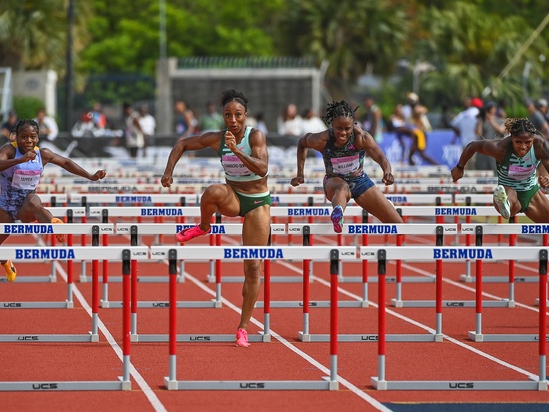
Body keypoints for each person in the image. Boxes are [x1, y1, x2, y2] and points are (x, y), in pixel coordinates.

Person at [160, 89, 269, 348]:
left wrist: (236, 151)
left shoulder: (255, 136)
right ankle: (204, 226)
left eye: (238, 115)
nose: (233, 120)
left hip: (257, 203)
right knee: (211, 191)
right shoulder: (217, 138)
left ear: (246, 115)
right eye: (228, 115)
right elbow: (182, 144)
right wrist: (168, 172)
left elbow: (263, 168)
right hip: (233, 196)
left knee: (253, 268)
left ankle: (243, 327)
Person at [0, 119, 106, 281]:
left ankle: (53, 223)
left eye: (33, 137)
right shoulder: (9, 150)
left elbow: (66, 162)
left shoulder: (43, 154)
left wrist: (90, 176)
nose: (28, 140)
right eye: (24, 137)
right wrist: (20, 160)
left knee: (34, 202)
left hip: (27, 202)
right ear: (17, 137)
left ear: (38, 138)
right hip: (6, 205)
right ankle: (6, 262)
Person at [451, 117, 549, 245]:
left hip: (531, 192)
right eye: (518, 142)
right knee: (510, 195)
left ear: (533, 139)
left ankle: (515, 205)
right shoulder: (500, 148)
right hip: (508, 190)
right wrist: (459, 167)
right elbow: (473, 146)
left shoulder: (541, 145)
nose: (523, 147)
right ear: (511, 139)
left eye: (528, 142)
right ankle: (507, 205)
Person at [292, 100, 404, 233]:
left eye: (347, 128)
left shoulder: (361, 138)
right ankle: (338, 214)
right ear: (332, 125)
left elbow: (381, 157)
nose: (343, 133)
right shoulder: (323, 139)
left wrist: (387, 172)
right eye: (339, 128)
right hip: (333, 181)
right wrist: (300, 174)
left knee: (399, 226)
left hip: (360, 181)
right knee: (342, 187)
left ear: (353, 125)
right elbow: (302, 143)